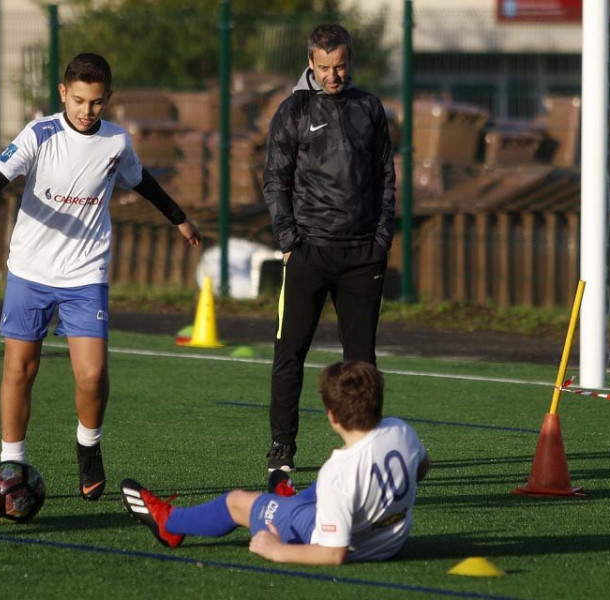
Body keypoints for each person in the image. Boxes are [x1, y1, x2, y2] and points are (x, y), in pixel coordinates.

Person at [0, 52, 201, 501]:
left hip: (85, 272)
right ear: (63, 94)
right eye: (78, 100)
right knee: (20, 370)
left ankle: (88, 447)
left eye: (95, 102)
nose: (86, 110)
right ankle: (11, 462)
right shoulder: (41, 133)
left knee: (92, 375)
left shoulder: (116, 142)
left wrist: (179, 218)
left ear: (107, 99)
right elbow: (3, 169)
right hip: (30, 270)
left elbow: (143, 181)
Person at [120, 361, 429, 565]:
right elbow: (421, 467)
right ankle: (289, 503)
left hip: (358, 549)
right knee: (332, 487)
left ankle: (169, 523)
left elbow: (333, 554)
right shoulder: (400, 429)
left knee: (237, 502)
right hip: (394, 542)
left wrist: (276, 550)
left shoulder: (339, 470)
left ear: (332, 416)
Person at [262, 24, 397, 472]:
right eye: (324, 68)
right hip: (308, 253)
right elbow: (275, 180)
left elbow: (385, 179)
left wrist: (380, 242)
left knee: (362, 367)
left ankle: (365, 451)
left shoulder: (369, 108)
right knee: (289, 355)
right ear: (310, 63)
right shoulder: (293, 109)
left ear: (349, 60)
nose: (332, 75)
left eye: (339, 66)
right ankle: (282, 448)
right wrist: (289, 241)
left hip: (362, 256)